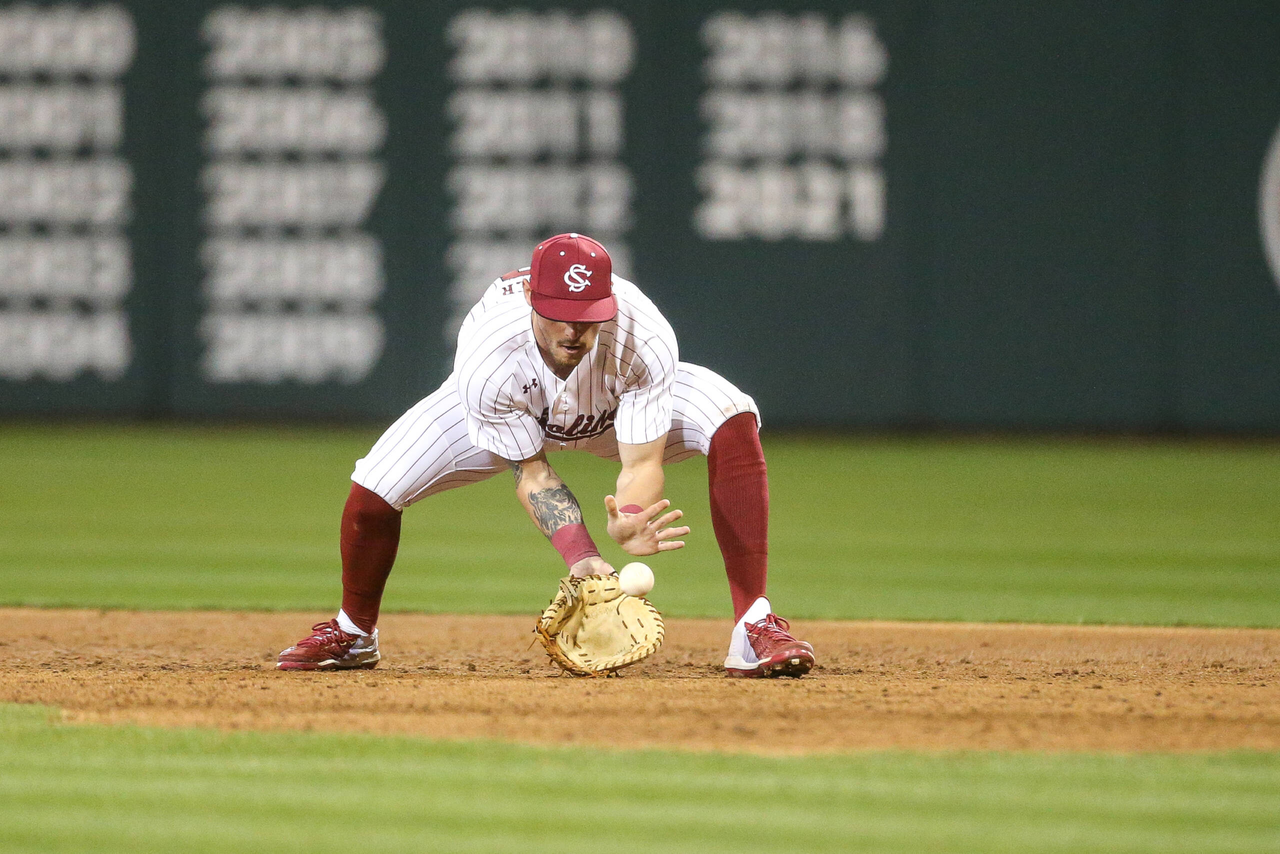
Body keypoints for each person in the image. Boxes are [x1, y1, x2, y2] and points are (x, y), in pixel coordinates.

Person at [277, 232, 815, 678]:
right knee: (374, 490)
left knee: (731, 413)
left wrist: (629, 517)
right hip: (516, 411)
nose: (574, 329)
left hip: (611, 412)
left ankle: (753, 627)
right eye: (559, 313)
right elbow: (532, 470)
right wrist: (585, 560)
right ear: (533, 297)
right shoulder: (488, 356)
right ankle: (354, 633)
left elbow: (641, 462)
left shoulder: (642, 334)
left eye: (588, 314)